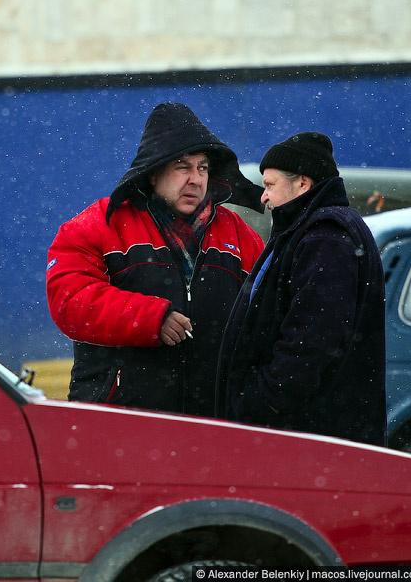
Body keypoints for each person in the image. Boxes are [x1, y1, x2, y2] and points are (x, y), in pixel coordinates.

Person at [46, 103, 265, 415]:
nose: (195, 179)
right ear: (152, 173)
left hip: (215, 425)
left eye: (202, 168)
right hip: (119, 423)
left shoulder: (241, 235)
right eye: (182, 166)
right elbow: (69, 301)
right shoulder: (97, 225)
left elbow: (268, 315)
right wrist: (150, 318)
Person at [215, 131, 387, 445]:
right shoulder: (304, 230)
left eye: (270, 185)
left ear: (303, 183)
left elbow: (313, 336)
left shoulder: (326, 237)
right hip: (304, 429)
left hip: (308, 433)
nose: (263, 197)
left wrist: (267, 398)